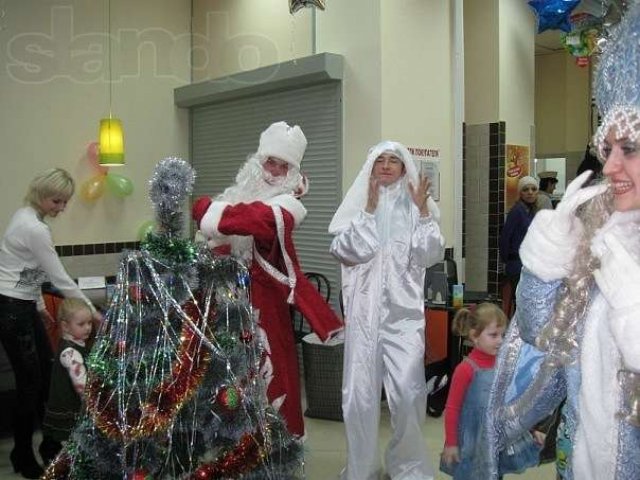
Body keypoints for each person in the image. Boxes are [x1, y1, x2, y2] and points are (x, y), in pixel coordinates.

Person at [485, 5, 640, 479]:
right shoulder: (600, 236)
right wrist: (549, 251)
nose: (610, 166)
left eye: (629, 149)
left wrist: (629, 300)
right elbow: (537, 333)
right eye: (606, 149)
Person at [191, 121, 343, 437]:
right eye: (269, 162)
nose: (273, 171)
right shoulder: (235, 195)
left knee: (271, 370)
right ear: (257, 162)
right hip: (225, 300)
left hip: (266, 300)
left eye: (282, 165)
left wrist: (210, 213)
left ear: (292, 171)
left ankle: (276, 443)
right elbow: (215, 241)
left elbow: (257, 221)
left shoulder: (291, 205)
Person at [328, 140, 445, 480]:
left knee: (409, 394)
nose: (387, 165)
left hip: (404, 318)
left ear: (404, 167)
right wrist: (367, 209)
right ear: (371, 166)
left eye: (394, 160)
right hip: (363, 317)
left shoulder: (415, 207)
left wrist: (423, 211)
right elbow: (347, 250)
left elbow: (429, 254)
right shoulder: (356, 207)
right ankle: (361, 467)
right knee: (359, 398)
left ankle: (406, 465)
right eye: (380, 159)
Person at [0, 168, 101, 479]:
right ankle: (22, 453)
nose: (61, 208)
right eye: (57, 201)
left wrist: (40, 305)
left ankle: (50, 444)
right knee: (30, 385)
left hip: (23, 303)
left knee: (47, 375)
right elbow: (58, 277)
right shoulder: (35, 228)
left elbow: (26, 268)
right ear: (41, 195)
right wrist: (93, 311)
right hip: (11, 307)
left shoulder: (27, 216)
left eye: (65, 202)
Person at [440, 303, 542, 479]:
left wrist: (531, 430)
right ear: (474, 336)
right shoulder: (465, 369)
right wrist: (451, 443)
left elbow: (514, 404)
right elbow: (452, 409)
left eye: (503, 335)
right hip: (473, 439)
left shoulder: (504, 366)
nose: (501, 340)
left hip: (498, 436)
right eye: (493, 335)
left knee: (495, 472)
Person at [39, 298, 93, 466]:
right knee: (74, 445)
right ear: (65, 326)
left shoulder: (76, 343)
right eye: (81, 324)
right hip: (69, 407)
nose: (88, 328)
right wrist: (94, 401)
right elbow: (81, 385)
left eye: (90, 323)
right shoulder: (70, 352)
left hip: (73, 405)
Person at [498, 176, 538, 315]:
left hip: (527, 264)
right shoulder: (517, 211)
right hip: (516, 265)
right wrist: (506, 261)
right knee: (522, 302)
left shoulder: (530, 211)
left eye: (533, 189)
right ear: (520, 193)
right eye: (526, 190)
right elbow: (505, 238)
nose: (530, 192)